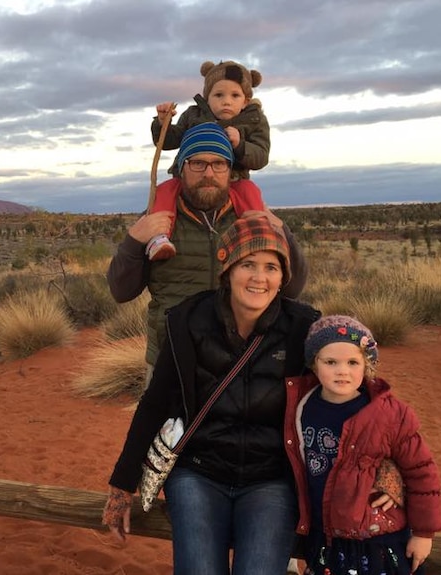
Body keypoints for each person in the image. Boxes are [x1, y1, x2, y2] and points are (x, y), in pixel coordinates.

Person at [102, 214, 321, 575]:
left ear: (284, 277)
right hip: (198, 473)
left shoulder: (303, 328)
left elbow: (349, 397)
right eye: (248, 263)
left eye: (271, 267)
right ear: (228, 268)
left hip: (271, 479)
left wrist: (384, 468)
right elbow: (155, 404)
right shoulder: (188, 320)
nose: (259, 277)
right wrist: (121, 485)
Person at [107, 122, 308, 381]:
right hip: (172, 362)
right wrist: (134, 240)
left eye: (219, 163)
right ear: (182, 167)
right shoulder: (158, 222)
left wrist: (283, 232)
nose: (209, 173)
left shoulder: (251, 220)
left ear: (230, 170)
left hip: (240, 361)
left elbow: (293, 289)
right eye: (198, 163)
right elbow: (121, 291)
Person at [284, 316, 441, 575]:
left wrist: (424, 532)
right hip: (325, 537)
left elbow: (421, 471)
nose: (342, 371)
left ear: (366, 365)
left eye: (353, 362)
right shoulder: (301, 408)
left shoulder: (388, 414)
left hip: (378, 538)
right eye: (331, 362)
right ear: (314, 364)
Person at [146, 60, 270, 261]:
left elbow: (261, 156)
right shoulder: (193, 114)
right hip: (187, 177)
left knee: (251, 193)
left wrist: (240, 145)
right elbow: (169, 141)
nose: (226, 101)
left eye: (235, 95)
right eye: (218, 95)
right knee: (165, 191)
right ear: (207, 96)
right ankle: (158, 238)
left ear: (246, 101)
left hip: (234, 179)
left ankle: (257, 238)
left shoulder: (254, 120)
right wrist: (162, 123)